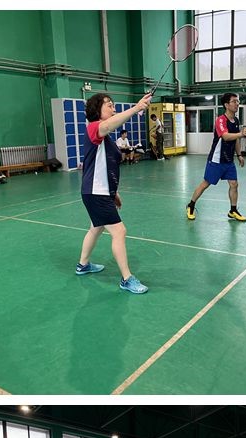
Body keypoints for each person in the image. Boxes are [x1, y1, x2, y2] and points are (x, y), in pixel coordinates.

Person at [76, 92, 152, 294]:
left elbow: (106, 166)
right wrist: (136, 108)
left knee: (96, 228)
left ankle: (83, 265)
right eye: (109, 105)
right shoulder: (94, 128)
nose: (113, 108)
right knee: (119, 231)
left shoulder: (106, 138)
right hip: (95, 192)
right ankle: (127, 279)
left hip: (100, 191)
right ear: (97, 110)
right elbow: (109, 125)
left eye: (113, 105)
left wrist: (113, 192)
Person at [186, 93, 246, 222]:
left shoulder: (236, 121)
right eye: (234, 101)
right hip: (216, 159)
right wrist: (241, 134)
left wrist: (239, 155)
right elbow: (225, 136)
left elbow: (236, 139)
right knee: (205, 184)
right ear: (226, 105)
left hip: (229, 160)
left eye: (238, 101)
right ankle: (191, 205)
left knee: (234, 184)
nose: (237, 104)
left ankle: (233, 210)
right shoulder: (221, 120)